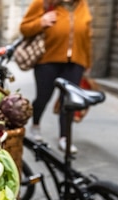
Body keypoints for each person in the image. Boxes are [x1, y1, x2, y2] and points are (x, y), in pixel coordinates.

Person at [19, 0, 92, 154]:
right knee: (43, 97)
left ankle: (64, 137)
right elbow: (24, 28)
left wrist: (87, 62)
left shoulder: (82, 5)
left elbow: (87, 36)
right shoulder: (43, 3)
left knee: (68, 101)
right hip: (47, 61)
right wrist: (41, 22)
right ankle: (35, 125)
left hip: (75, 62)